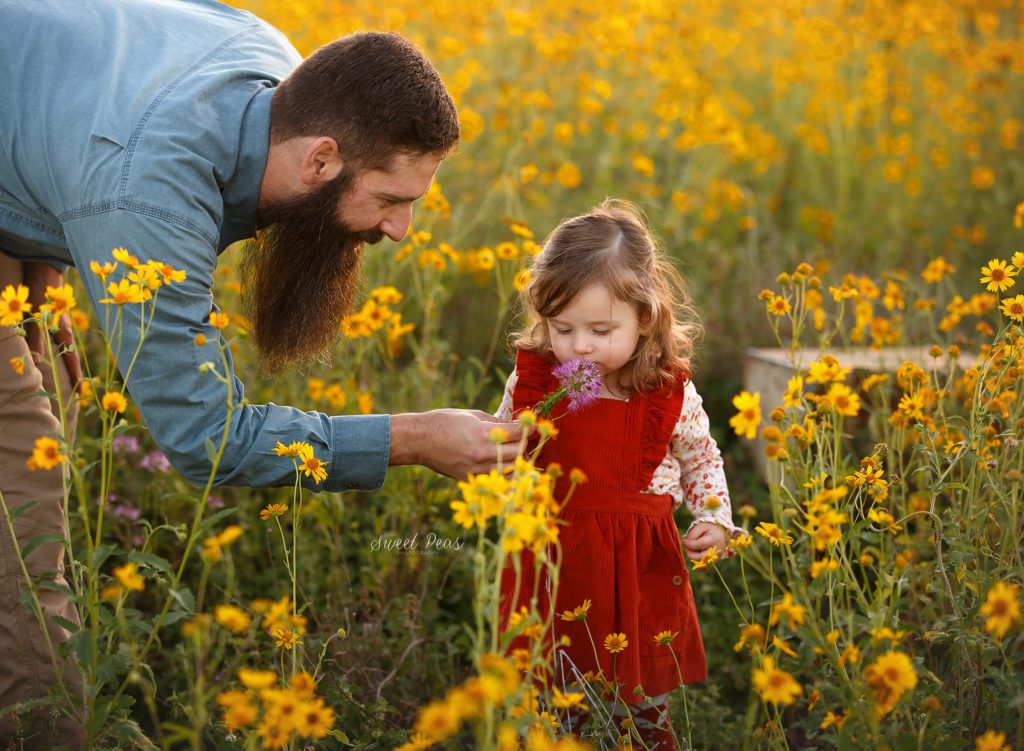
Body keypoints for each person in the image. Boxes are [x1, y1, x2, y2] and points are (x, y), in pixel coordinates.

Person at [0, 0, 521, 744]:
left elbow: (59, 86)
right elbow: (205, 439)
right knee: (21, 494)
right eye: (391, 200)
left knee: (55, 410)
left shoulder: (273, 69)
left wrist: (40, 263)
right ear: (319, 160)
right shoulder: (152, 189)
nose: (401, 230)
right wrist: (412, 438)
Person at [495, 200, 739, 750]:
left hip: (636, 564)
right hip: (556, 560)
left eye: (601, 330)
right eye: (563, 328)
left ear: (644, 319)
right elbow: (508, 445)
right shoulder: (536, 380)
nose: (580, 346)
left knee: (641, 696)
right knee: (555, 692)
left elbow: (701, 456)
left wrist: (715, 517)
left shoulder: (664, 390)